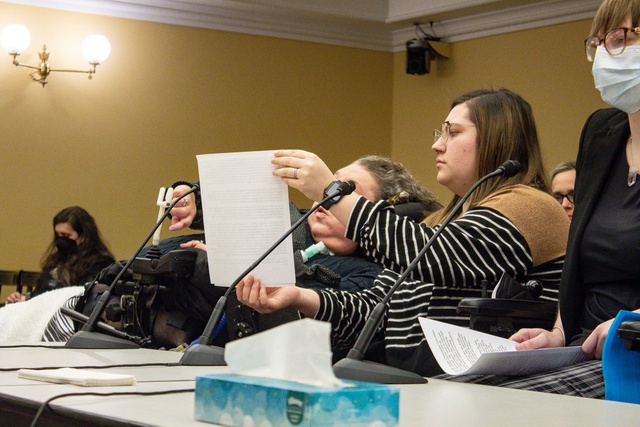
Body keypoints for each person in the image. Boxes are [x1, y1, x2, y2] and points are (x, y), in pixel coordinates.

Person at [236, 88, 570, 376]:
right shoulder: (439, 221)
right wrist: (299, 297)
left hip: (501, 390)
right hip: (419, 383)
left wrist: (331, 189)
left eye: (453, 133)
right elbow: (374, 311)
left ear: (496, 140)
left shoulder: (531, 206)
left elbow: (439, 257)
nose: (438, 146)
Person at [434, 0, 640, 399]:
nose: (603, 55)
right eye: (597, 42)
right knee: (441, 394)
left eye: (620, 38)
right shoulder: (603, 132)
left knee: (502, 410)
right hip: (582, 346)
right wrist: (558, 332)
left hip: (630, 353)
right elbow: (580, 260)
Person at [168, 155, 442, 292]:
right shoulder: (293, 226)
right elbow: (252, 213)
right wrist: (196, 200)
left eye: (346, 192)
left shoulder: (379, 275)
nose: (326, 198)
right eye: (330, 186)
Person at [5, 206, 115, 304]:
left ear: (84, 236)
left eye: (66, 235)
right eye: (58, 235)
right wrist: (24, 298)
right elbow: (40, 292)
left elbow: (80, 298)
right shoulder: (55, 260)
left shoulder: (100, 263)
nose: (61, 239)